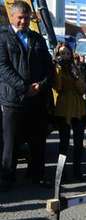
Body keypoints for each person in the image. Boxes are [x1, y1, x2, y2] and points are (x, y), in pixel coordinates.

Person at [0, 0, 53, 191]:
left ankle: (37, 175)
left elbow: (49, 66)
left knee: (38, 140)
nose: (23, 21)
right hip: (13, 100)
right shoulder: (3, 37)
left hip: (36, 99)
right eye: (20, 17)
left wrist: (42, 85)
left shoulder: (37, 38)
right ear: (12, 17)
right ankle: (7, 178)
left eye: (26, 17)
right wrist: (24, 87)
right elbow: (3, 67)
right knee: (11, 142)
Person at [52, 42, 86, 181]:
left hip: (78, 108)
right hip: (63, 108)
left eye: (67, 53)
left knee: (79, 143)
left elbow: (83, 89)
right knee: (64, 144)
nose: (65, 56)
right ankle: (62, 173)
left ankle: (77, 171)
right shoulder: (56, 68)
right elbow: (57, 87)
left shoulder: (76, 68)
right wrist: (59, 69)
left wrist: (76, 76)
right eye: (62, 53)